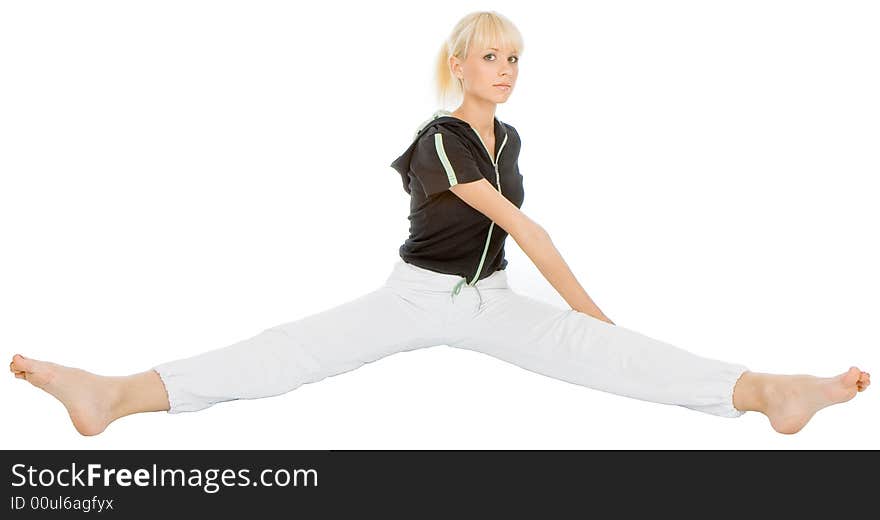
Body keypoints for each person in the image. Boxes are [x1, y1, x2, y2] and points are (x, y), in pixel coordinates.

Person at [9, 11, 870, 437]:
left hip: (489, 299)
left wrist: (586, 331)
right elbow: (528, 230)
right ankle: (115, 394)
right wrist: (589, 313)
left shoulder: (514, 135)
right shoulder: (442, 138)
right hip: (419, 297)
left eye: (516, 58)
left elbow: (512, 246)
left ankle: (767, 393)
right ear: (460, 63)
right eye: (491, 56)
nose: (507, 70)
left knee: (612, 361)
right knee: (289, 352)